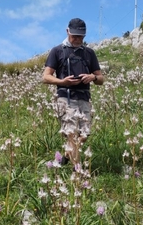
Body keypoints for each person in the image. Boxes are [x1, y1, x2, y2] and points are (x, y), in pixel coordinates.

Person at [42, 18, 104, 165]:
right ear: (67, 31)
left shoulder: (89, 53)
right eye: (74, 36)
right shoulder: (57, 51)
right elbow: (45, 77)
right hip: (65, 98)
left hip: (84, 99)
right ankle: (78, 173)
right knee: (72, 134)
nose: (77, 39)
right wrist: (62, 82)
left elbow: (101, 79)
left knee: (84, 135)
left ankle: (64, 159)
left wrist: (93, 77)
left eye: (81, 36)